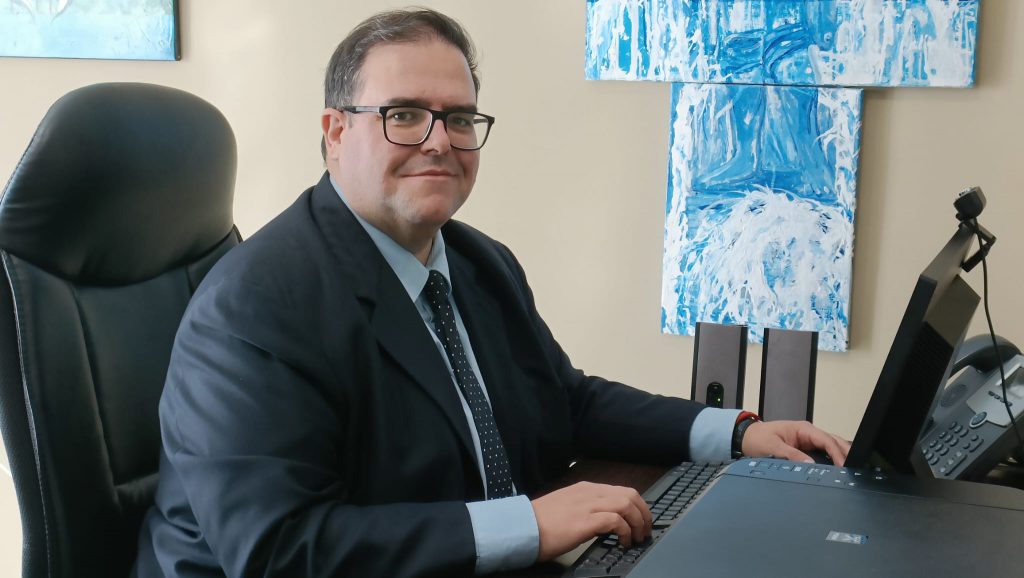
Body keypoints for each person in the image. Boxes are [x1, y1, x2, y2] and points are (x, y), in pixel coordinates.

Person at [132, 8, 850, 578]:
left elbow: (566, 402)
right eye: (403, 114)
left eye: (459, 118)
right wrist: (529, 525)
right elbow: (279, 549)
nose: (438, 141)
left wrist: (736, 434)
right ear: (335, 131)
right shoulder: (255, 306)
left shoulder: (477, 261)